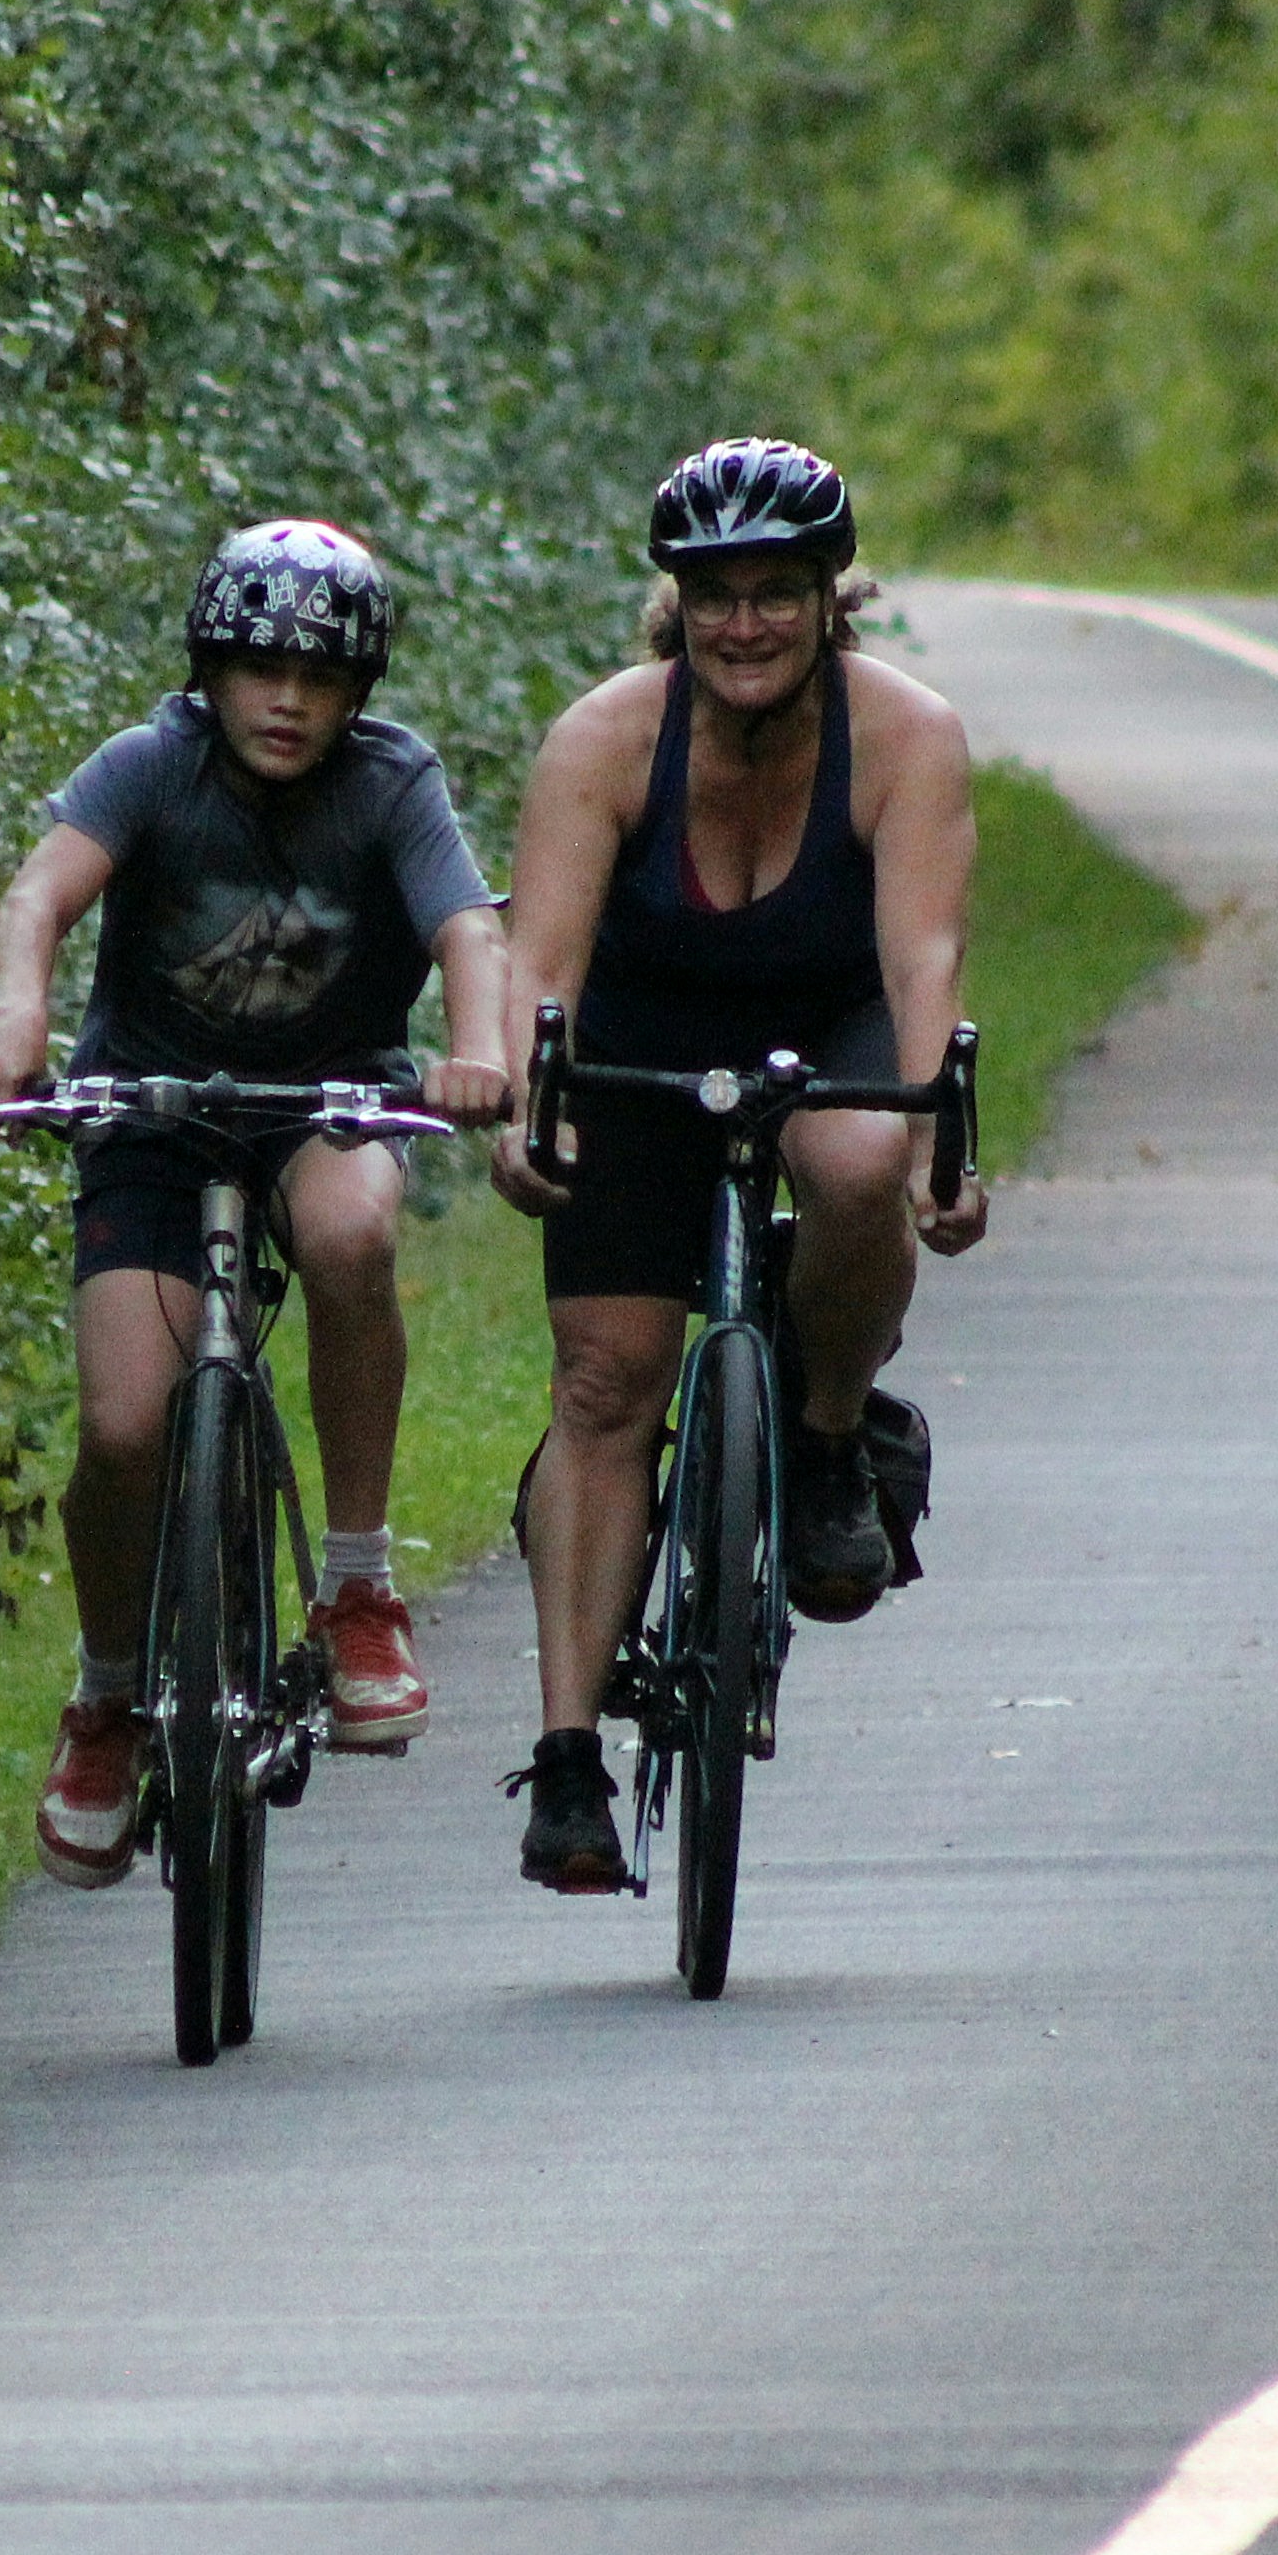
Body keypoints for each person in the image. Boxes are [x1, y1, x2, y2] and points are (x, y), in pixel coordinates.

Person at [0, 522, 513, 1889]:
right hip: (152, 1111)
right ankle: (110, 1697)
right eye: (256, 670)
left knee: (355, 1233)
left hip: (327, 1106)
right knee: (126, 1427)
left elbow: (467, 929)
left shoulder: (391, 780)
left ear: (360, 689)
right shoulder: (150, 766)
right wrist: (19, 1022)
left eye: (318, 675)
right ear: (209, 672)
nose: (286, 701)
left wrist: (476, 1049)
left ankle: (358, 1587)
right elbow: (42, 892)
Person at [485, 438, 987, 1892]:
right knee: (605, 1381)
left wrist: (940, 1137)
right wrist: (533, 1109)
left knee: (853, 1156)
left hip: (824, 1012)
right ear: (678, 605)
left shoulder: (905, 736)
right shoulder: (601, 740)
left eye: (778, 592)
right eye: (717, 596)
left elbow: (923, 958)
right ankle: (572, 1758)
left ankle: (828, 1440)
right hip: (644, 1029)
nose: (746, 624)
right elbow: (544, 968)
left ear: (834, 599)